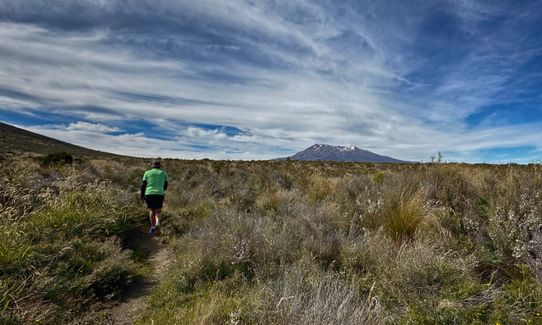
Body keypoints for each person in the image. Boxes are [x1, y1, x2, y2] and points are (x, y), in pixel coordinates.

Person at [141, 161, 168, 235]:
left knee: (152, 210)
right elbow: (166, 185)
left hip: (149, 194)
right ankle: (158, 222)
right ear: (160, 166)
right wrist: (162, 190)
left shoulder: (147, 173)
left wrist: (142, 196)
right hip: (159, 194)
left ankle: (152, 227)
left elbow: (143, 185)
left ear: (152, 166)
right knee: (158, 210)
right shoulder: (164, 173)